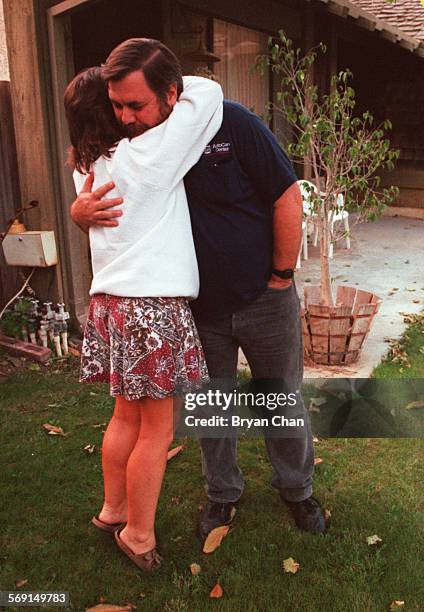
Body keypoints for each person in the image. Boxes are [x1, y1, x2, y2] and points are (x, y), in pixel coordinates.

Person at [70, 38, 327, 541]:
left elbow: (286, 195)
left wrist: (281, 275)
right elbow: (113, 213)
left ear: (171, 94)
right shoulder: (134, 150)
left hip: (263, 297)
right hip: (195, 309)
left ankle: (297, 490)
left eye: (135, 105)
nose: (125, 117)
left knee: (281, 400)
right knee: (212, 406)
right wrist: (80, 215)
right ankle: (222, 495)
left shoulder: (231, 123)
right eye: (117, 105)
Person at [64, 41, 223, 570]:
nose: (126, 112)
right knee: (158, 428)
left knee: (124, 417)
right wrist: (156, 75)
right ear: (108, 113)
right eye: (117, 104)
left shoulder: (86, 170)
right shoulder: (149, 155)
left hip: (110, 305)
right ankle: (138, 533)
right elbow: (208, 91)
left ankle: (113, 509)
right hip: (150, 306)